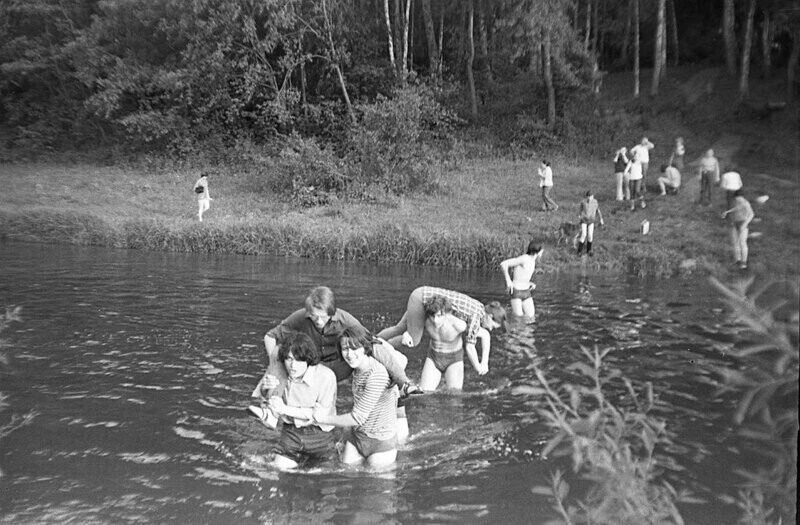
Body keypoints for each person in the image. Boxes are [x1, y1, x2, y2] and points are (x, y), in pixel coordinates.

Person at [260, 286, 420, 398]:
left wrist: (391, 355)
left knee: (373, 347)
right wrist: (275, 364)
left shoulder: (346, 320)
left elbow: (370, 342)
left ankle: (404, 384)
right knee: (278, 352)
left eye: (323, 316)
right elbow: (270, 336)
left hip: (342, 364)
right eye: (314, 316)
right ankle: (270, 406)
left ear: (332, 312)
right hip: (314, 368)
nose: (319, 321)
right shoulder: (301, 316)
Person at [312, 326, 399, 468]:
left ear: (365, 347)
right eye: (345, 349)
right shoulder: (358, 368)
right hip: (357, 435)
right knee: (347, 474)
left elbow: (358, 417)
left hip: (381, 442)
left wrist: (324, 419)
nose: (349, 354)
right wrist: (345, 436)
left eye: (354, 348)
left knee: (377, 486)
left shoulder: (377, 374)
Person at [249, 332, 337, 470]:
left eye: (299, 360)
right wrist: (266, 390)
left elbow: (320, 415)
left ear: (308, 359)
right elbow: (266, 403)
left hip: (320, 435)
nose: (293, 366)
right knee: (279, 470)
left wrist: (283, 409)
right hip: (291, 433)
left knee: (323, 474)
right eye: (289, 359)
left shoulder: (325, 376)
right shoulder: (280, 370)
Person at [377, 287, 506, 377]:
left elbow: (485, 336)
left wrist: (485, 362)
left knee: (399, 328)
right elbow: (470, 347)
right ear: (489, 316)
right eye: (492, 326)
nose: (490, 328)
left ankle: (373, 339)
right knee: (413, 340)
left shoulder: (479, 307)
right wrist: (478, 368)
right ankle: (379, 348)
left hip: (419, 293)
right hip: (421, 300)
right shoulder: (475, 317)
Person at [416, 295, 469, 392]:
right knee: (423, 393)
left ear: (447, 314)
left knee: (454, 397)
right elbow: (408, 326)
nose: (435, 320)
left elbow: (484, 334)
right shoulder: (426, 320)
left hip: (454, 359)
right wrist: (407, 335)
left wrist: (483, 363)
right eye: (432, 316)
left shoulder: (459, 325)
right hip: (433, 357)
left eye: (439, 315)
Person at [500, 242, 543, 319]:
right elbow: (503, 264)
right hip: (516, 291)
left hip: (527, 292)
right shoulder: (524, 258)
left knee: (531, 318)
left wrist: (530, 283)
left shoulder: (532, 260)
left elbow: (521, 276)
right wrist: (508, 281)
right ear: (539, 251)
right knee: (518, 320)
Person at [721, 189, 754, 270]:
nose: (738, 200)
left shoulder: (746, 203)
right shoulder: (736, 202)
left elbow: (751, 214)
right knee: (735, 242)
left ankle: (744, 262)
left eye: (739, 199)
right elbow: (736, 208)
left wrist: (744, 225)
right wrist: (727, 212)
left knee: (742, 243)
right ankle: (737, 259)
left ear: (742, 197)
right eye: (736, 199)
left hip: (742, 224)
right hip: (735, 223)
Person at [577, 190, 604, 256]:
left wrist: (601, 218)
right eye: (588, 196)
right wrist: (579, 216)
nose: (589, 198)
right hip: (584, 220)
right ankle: (579, 251)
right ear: (586, 197)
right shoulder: (583, 202)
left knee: (590, 235)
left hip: (591, 221)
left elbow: (598, 210)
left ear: (593, 196)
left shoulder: (595, 202)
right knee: (583, 235)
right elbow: (580, 211)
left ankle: (589, 250)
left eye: (591, 196)